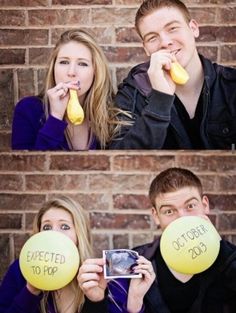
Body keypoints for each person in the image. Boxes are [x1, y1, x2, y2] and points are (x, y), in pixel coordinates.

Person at [78, 168, 236, 313]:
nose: (182, 219)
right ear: (155, 216)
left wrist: (220, 248)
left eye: (190, 206)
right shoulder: (132, 261)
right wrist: (96, 301)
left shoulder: (230, 258)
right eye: (169, 211)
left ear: (205, 205)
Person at [109, 0, 236, 149]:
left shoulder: (231, 86)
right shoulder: (132, 93)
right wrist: (160, 100)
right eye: (152, 37)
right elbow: (121, 160)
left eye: (173, 28)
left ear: (193, 28)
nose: (164, 42)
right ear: (146, 48)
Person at [11, 29, 129, 150]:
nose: (71, 72)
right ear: (53, 68)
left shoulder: (112, 114)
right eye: (64, 62)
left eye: (82, 64)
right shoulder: (28, 110)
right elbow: (26, 166)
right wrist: (55, 118)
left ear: (96, 72)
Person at [0, 196, 108, 313]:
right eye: (47, 227)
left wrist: (96, 301)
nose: (54, 233)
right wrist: (31, 291)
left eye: (64, 226)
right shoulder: (20, 270)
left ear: (79, 235)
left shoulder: (94, 277)